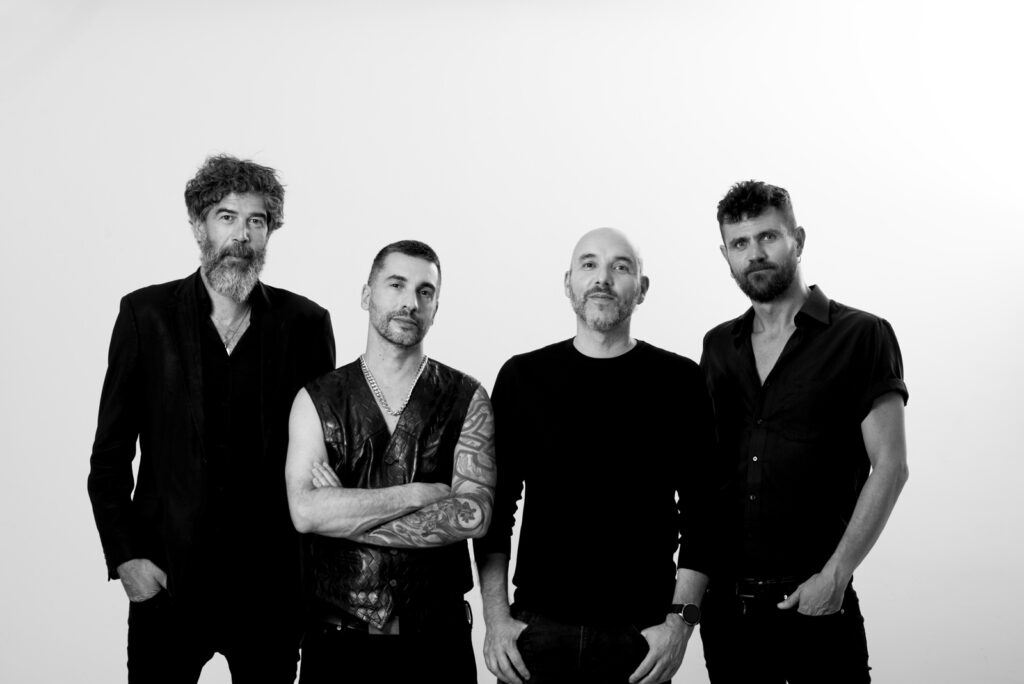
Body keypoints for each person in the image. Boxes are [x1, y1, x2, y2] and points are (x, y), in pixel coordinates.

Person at [87, 154, 336, 683]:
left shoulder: (306, 325)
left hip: (271, 593)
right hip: (167, 585)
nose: (242, 235)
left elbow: (324, 462)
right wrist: (127, 559)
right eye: (227, 217)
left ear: (270, 232)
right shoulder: (145, 316)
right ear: (199, 225)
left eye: (256, 221)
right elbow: (109, 457)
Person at [475, 228, 717, 684]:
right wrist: (496, 618)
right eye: (589, 264)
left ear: (642, 288)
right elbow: (495, 508)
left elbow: (704, 513)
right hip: (535, 632)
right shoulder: (523, 377)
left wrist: (679, 625)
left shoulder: (679, 380)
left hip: (641, 637)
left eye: (620, 267)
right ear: (568, 282)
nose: (602, 278)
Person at [699, 180, 910, 683]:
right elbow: (704, 472)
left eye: (768, 237)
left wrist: (835, 575)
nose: (755, 253)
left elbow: (891, 465)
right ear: (726, 255)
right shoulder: (718, 346)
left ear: (798, 239)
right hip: (727, 615)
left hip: (817, 605)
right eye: (740, 243)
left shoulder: (861, 335)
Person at [285, 239, 496, 684]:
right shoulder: (317, 400)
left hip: (437, 643)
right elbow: (305, 512)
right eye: (396, 284)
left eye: (425, 291)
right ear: (367, 295)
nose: (410, 302)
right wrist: (416, 495)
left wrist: (343, 512)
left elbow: (473, 515)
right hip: (338, 642)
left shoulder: (467, 397)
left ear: (435, 308)